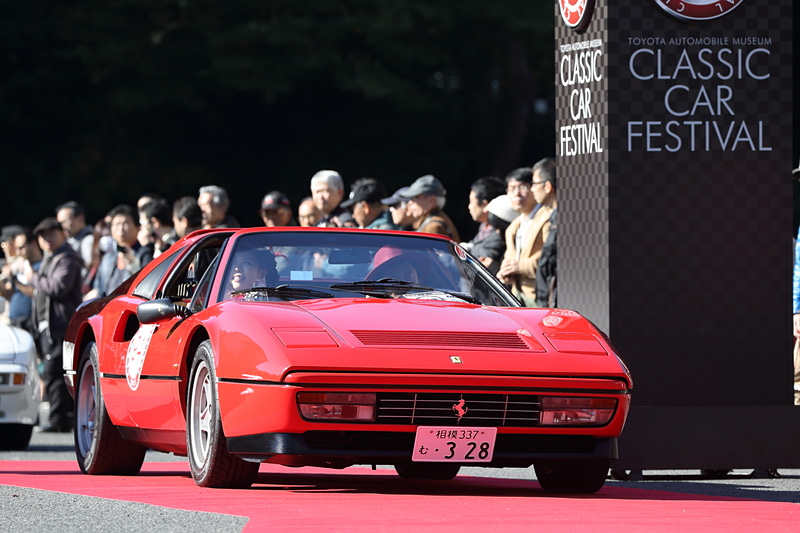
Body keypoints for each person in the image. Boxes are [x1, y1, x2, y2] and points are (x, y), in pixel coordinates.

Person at [21, 217, 83, 432]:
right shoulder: (52, 257)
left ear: (62, 234)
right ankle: (62, 418)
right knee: (53, 372)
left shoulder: (67, 258)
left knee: (56, 372)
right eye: (42, 236)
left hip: (61, 326)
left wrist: (33, 277)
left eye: (51, 234)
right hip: (49, 327)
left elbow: (58, 288)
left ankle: (59, 420)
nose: (47, 239)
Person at [497, 159, 556, 307]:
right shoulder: (513, 227)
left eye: (523, 187)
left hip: (541, 296)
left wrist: (519, 267)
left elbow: (553, 259)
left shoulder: (549, 217)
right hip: (517, 295)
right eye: (511, 189)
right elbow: (510, 258)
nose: (516, 194)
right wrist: (505, 271)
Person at [89, 204, 154, 298]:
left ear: (137, 227)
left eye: (126, 223)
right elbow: (99, 288)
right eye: (116, 224)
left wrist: (133, 264)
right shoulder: (107, 257)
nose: (120, 228)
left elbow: (148, 285)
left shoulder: (145, 254)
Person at [462, 177, 507, 274]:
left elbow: (482, 264)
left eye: (471, 202)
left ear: (485, 205)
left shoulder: (500, 233)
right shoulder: (484, 227)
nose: (469, 207)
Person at [400, 175, 460, 241]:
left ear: (431, 201)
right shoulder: (439, 218)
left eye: (415, 198)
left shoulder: (433, 227)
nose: (409, 202)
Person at [55, 201, 94, 272]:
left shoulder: (89, 240)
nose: (62, 226)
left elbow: (90, 270)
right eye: (59, 224)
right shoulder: (69, 241)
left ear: (80, 218)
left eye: (65, 221)